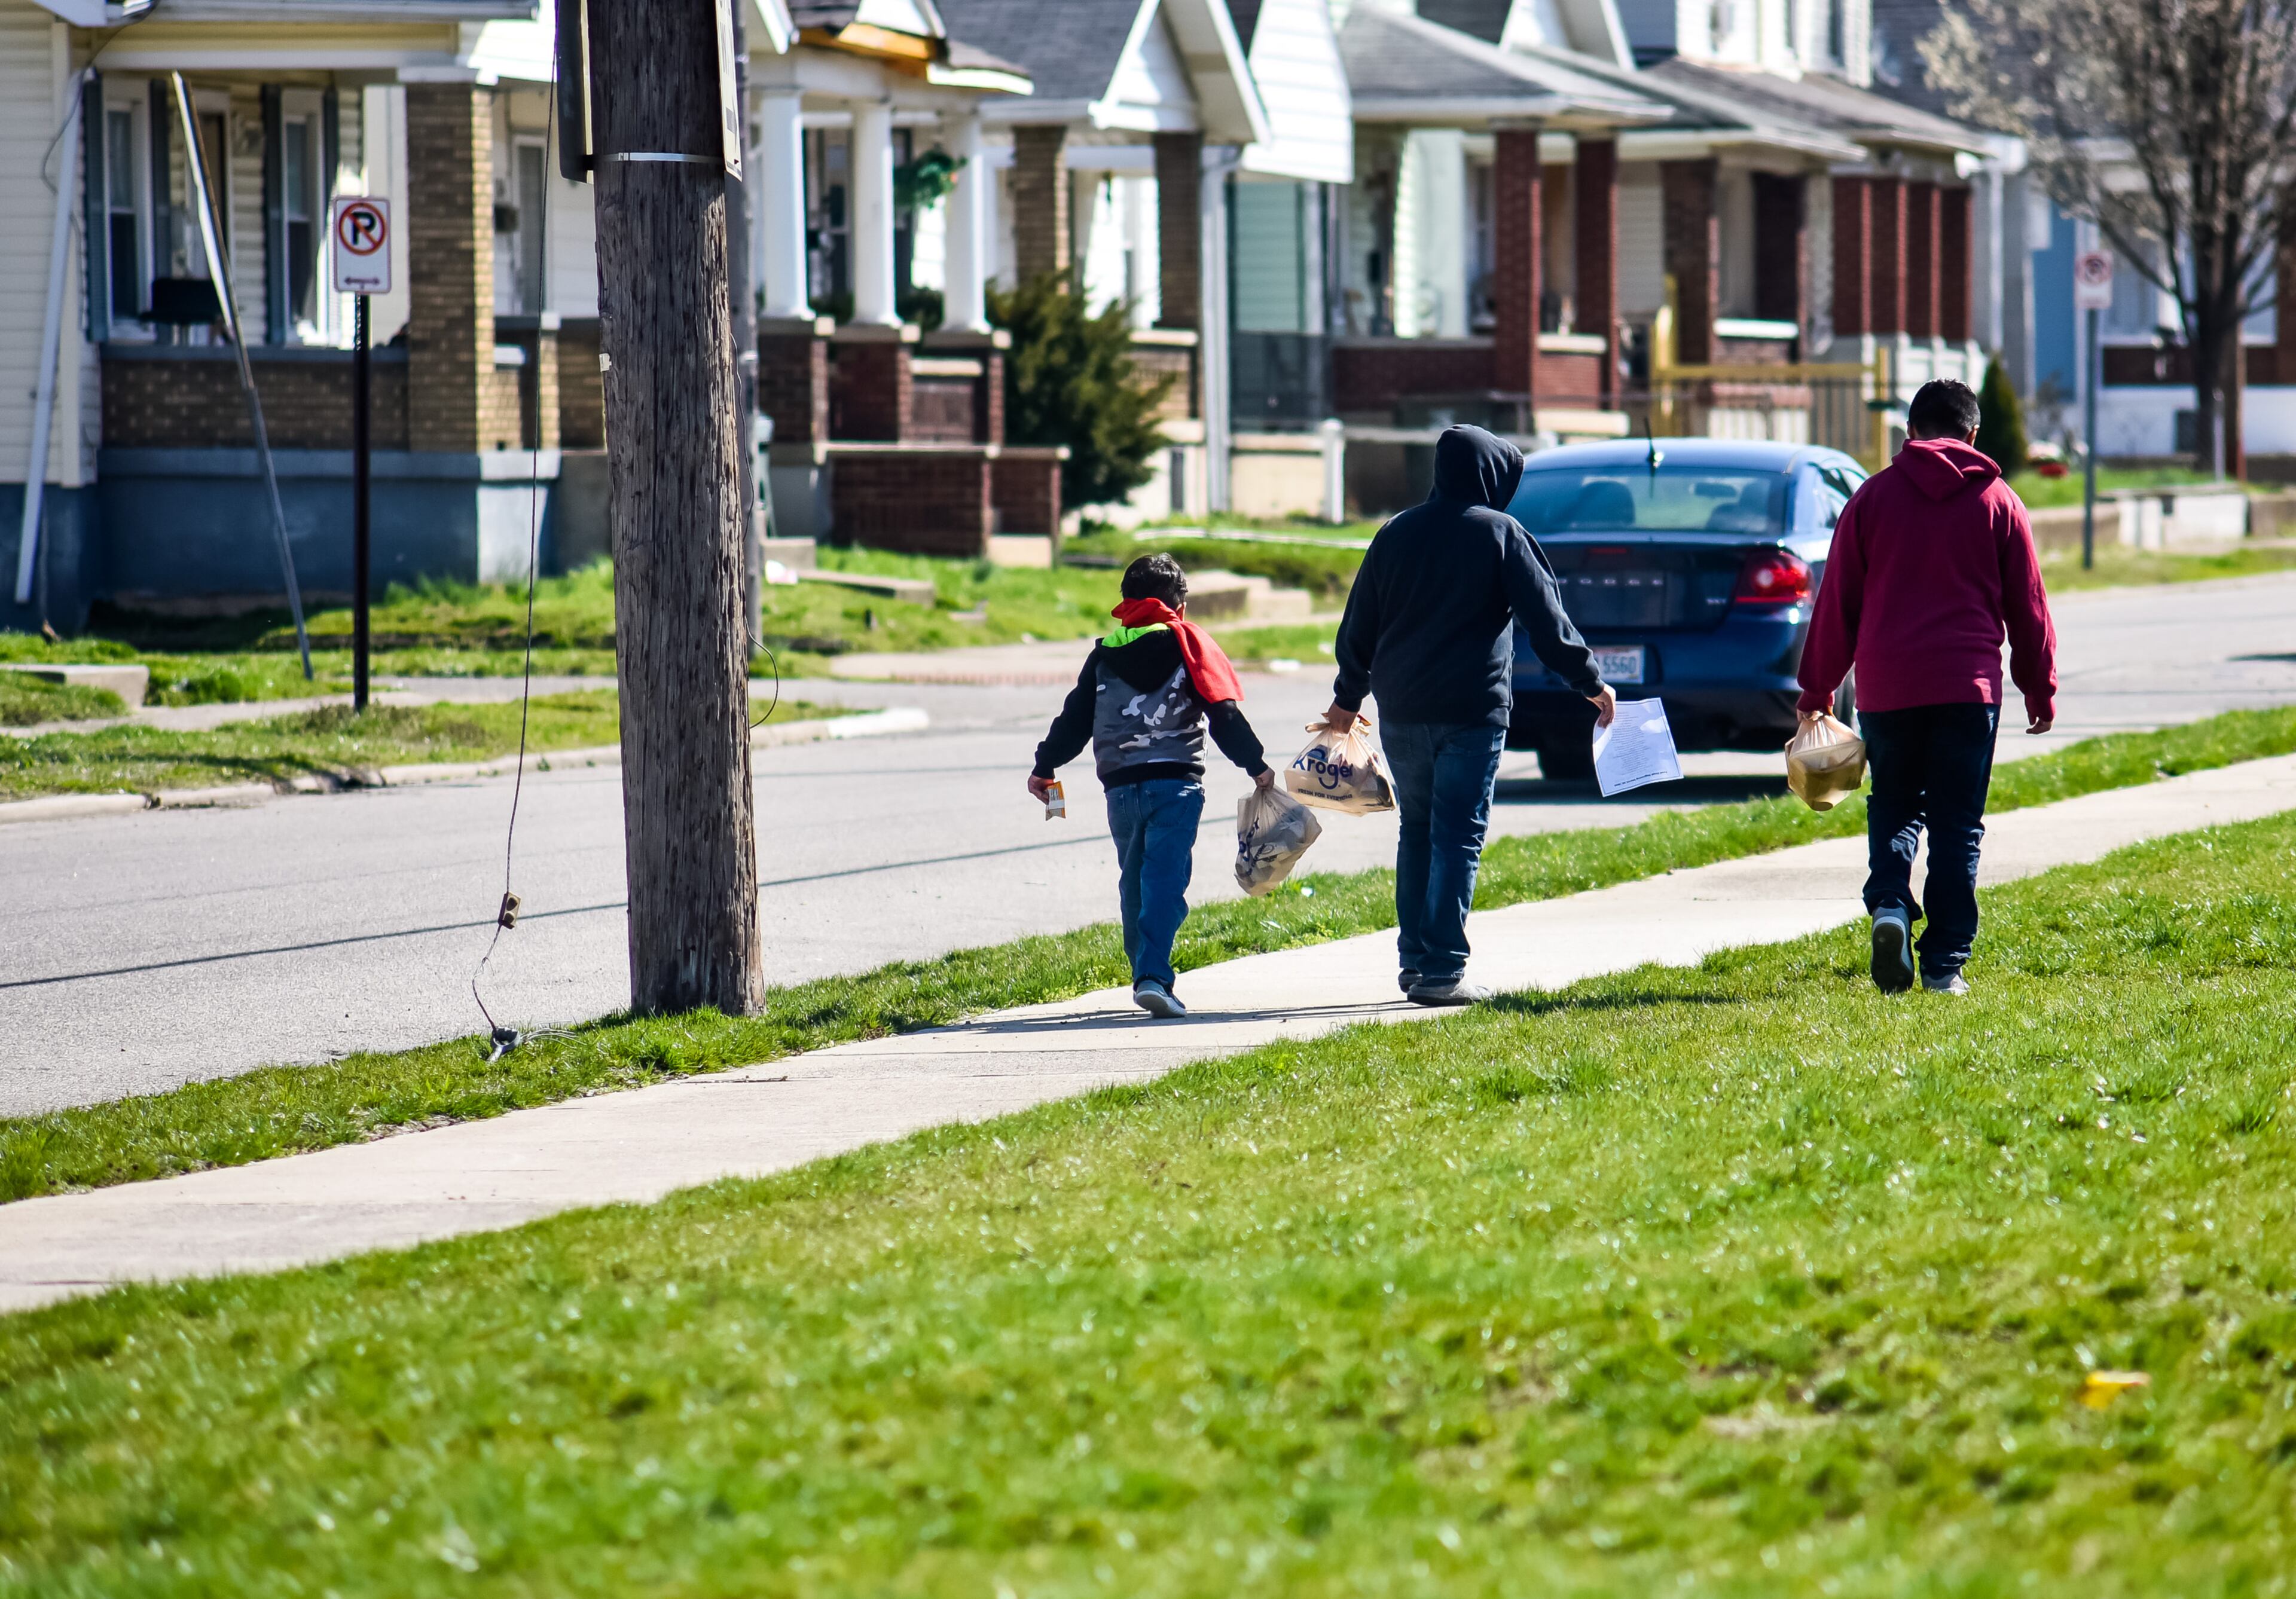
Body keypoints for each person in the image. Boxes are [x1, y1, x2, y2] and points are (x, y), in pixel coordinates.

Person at [1321, 424, 1616, 1007]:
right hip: (1471, 711)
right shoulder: (1500, 533)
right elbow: (1547, 623)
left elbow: (1359, 624)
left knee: (1420, 829)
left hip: (1402, 708)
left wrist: (1347, 699)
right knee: (1458, 834)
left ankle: (1415, 962)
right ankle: (1443, 969)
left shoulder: (1395, 532)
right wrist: (1590, 682)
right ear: (1490, 476)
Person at [1797, 377, 2057, 997]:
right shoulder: (1999, 502)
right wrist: (2039, 687)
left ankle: (1889, 901)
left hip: (1889, 688)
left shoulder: (1872, 500)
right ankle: (1944, 963)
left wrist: (1817, 690)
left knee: (1895, 803)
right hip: (1968, 689)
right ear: (1972, 434)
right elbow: (2029, 608)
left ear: (1909, 432)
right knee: (1957, 823)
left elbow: (1838, 603)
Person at [1030, 554, 1272, 1019]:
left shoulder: (1103, 655)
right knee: (1165, 879)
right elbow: (1223, 714)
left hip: (1120, 791)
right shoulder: (1188, 647)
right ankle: (1154, 977)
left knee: (1135, 881)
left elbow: (1075, 717)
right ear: (1179, 607)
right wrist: (1256, 765)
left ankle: (1144, 969)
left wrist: (1046, 764)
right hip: (1175, 786)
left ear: (1125, 603)